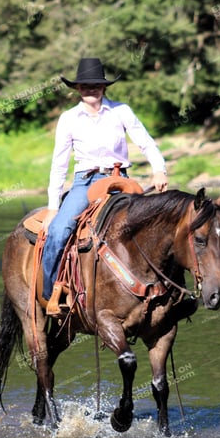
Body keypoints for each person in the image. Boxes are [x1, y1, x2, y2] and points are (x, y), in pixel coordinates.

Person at [41, 57, 168, 316]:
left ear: (104, 87)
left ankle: (167, 289)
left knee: (157, 224)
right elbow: (59, 164)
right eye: (86, 85)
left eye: (96, 85)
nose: (91, 89)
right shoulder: (68, 119)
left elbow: (145, 142)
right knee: (59, 229)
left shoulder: (122, 111)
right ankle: (51, 293)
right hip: (86, 182)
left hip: (121, 179)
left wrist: (159, 169)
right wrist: (53, 207)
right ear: (77, 88)